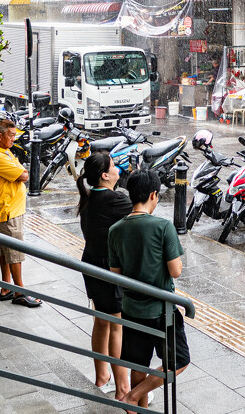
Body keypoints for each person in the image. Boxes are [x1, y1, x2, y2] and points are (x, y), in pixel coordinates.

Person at [108, 171, 189, 411]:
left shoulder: (115, 229)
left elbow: (116, 271)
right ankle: (133, 397)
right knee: (178, 361)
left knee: (138, 366)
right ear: (153, 195)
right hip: (161, 310)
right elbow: (175, 271)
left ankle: (135, 406)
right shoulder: (163, 226)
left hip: (131, 308)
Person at [77, 152, 133, 400]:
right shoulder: (114, 200)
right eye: (114, 166)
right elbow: (142, 213)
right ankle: (122, 389)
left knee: (101, 321)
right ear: (105, 175)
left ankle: (102, 377)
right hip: (108, 268)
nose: (118, 169)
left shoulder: (89, 197)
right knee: (116, 326)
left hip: (90, 263)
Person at [0, 120, 41, 307]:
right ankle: (20, 292)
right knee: (15, 253)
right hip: (8, 213)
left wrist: (20, 171)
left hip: (10, 211)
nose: (14, 139)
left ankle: (5, 287)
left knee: (7, 251)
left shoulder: (4, 152)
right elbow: (24, 175)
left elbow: (21, 171)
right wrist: (21, 173)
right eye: (11, 135)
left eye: (14, 135)